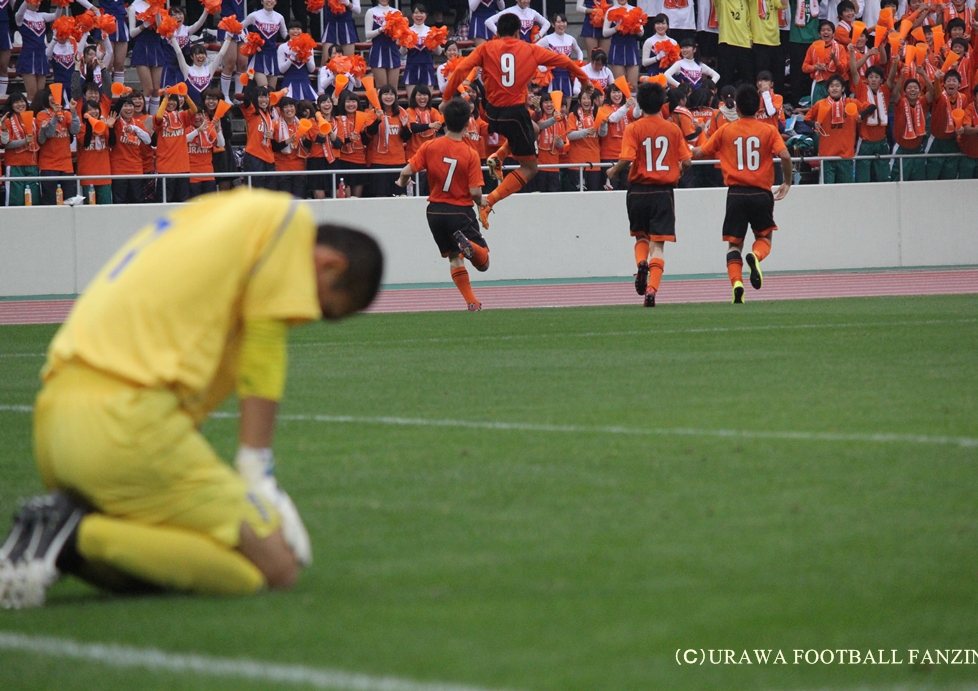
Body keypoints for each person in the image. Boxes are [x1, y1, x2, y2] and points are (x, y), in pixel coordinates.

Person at [0, 189, 383, 609]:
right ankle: (75, 533)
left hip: (55, 421)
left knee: (218, 564)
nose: (301, 316)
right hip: (122, 425)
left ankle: (59, 537)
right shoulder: (287, 220)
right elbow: (264, 348)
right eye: (322, 307)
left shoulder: (212, 215)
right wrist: (258, 470)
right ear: (330, 265)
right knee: (277, 567)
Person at [442, 11, 586, 228]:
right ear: (519, 32)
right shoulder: (530, 49)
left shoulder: (485, 48)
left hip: (491, 112)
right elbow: (565, 61)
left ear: (497, 32)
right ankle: (489, 201)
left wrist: (445, 98)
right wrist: (585, 80)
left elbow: (461, 68)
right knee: (530, 168)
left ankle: (499, 156)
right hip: (515, 114)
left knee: (535, 128)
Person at [692, 84, 793, 304]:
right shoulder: (768, 130)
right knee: (764, 237)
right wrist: (787, 182)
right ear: (758, 109)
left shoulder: (727, 130)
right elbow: (785, 156)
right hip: (761, 194)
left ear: (737, 109)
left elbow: (700, 153)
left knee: (733, 245)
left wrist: (681, 148)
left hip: (736, 194)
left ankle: (737, 283)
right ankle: (755, 256)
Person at [605, 82, 693, 308]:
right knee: (659, 246)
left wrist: (614, 170)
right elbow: (688, 161)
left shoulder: (633, 128)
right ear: (663, 103)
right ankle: (652, 289)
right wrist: (677, 172)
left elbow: (627, 159)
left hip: (638, 190)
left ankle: (641, 263)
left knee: (640, 238)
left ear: (641, 104)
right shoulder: (672, 128)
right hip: (663, 192)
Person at [396, 98, 489, 311]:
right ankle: (469, 244)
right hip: (460, 211)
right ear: (467, 124)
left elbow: (406, 172)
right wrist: (481, 201)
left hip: (435, 212)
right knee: (483, 262)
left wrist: (400, 183)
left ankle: (471, 302)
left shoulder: (430, 146)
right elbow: (475, 191)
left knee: (455, 257)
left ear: (444, 121)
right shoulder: (470, 154)